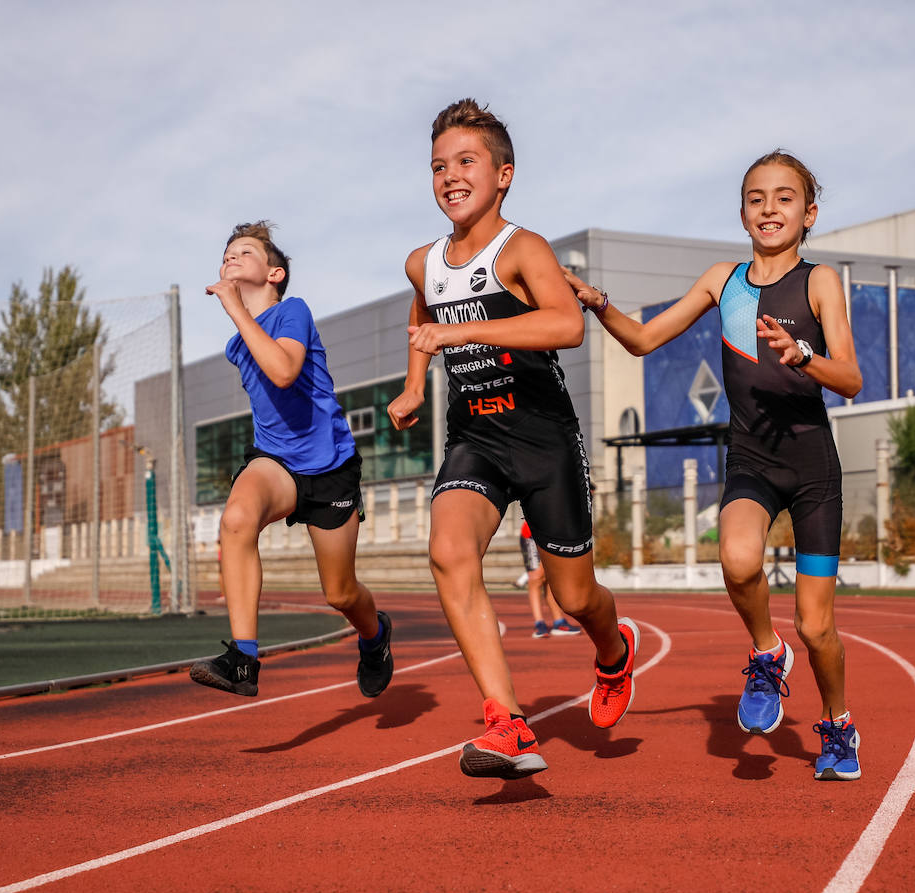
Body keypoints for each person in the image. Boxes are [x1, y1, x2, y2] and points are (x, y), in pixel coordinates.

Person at [564, 150, 865, 781]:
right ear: (742, 212)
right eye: (756, 197)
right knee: (735, 560)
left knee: (817, 627)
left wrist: (803, 355)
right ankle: (765, 651)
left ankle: (838, 724)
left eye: (785, 198)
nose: (769, 208)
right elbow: (644, 341)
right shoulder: (721, 280)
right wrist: (599, 302)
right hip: (753, 459)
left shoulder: (820, 282)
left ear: (808, 214)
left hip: (813, 469)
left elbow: (853, 379)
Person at [386, 99, 638, 780]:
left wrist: (461, 332)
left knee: (576, 597)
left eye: (466, 161)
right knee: (447, 550)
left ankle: (614, 653)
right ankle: (508, 723)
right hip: (476, 438)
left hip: (544, 437)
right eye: (438, 165)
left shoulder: (522, 248)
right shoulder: (423, 262)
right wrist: (415, 385)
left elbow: (565, 325)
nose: (449, 176)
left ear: (504, 175)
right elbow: (423, 313)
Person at [190, 222, 392, 699]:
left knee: (340, 593)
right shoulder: (237, 345)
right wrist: (240, 316)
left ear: (275, 273)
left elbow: (283, 371)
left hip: (330, 469)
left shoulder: (292, 312)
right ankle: (243, 658)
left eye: (244, 252)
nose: (231, 259)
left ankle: (376, 636)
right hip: (276, 463)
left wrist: (235, 307)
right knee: (237, 518)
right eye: (226, 255)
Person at [520, 519, 581, 638]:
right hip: (533, 534)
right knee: (536, 578)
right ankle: (539, 624)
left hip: (553, 536)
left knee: (550, 577)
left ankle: (558, 622)